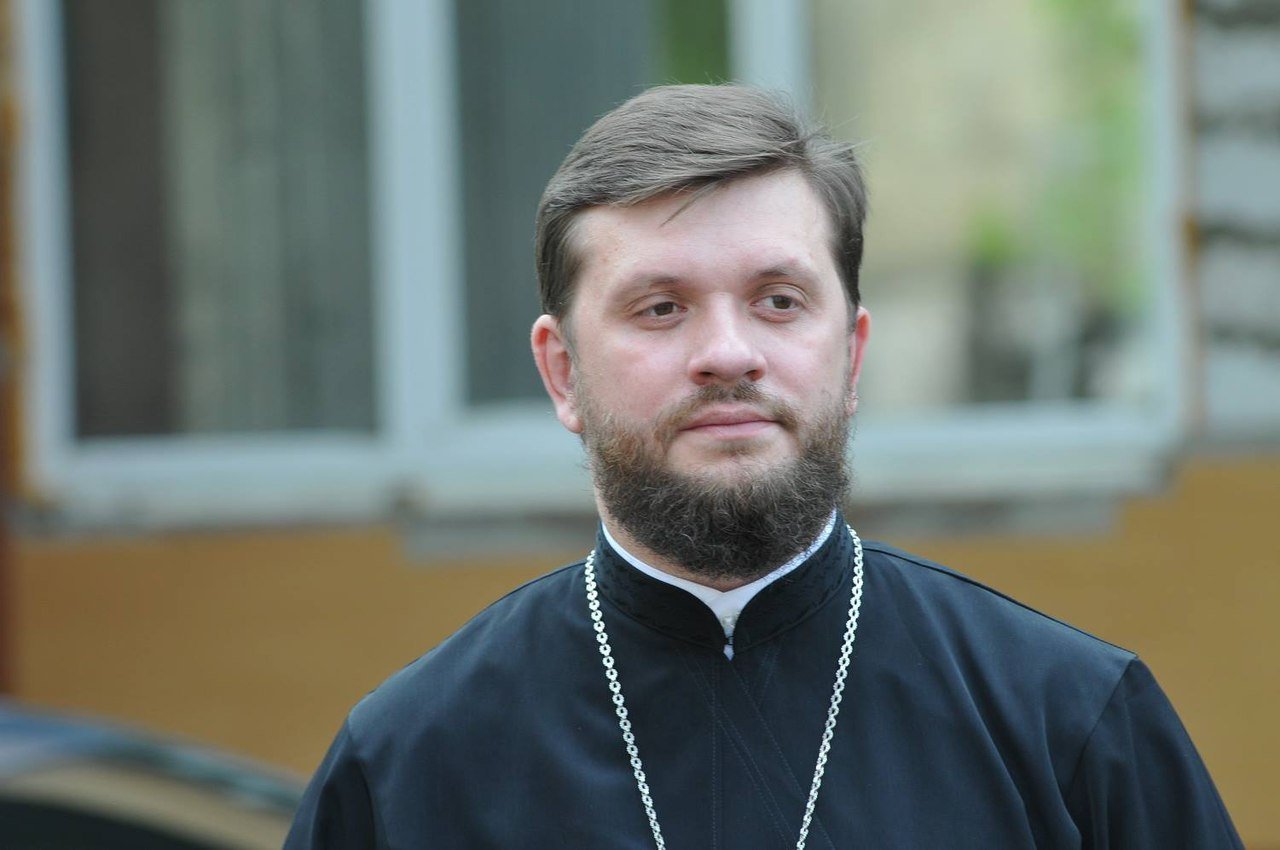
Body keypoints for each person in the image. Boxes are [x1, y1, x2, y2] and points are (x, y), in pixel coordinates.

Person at [285, 85, 1242, 849]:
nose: (728, 353)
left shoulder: (1069, 724)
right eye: (661, 308)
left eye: (779, 300)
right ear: (562, 371)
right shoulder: (408, 763)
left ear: (852, 355)